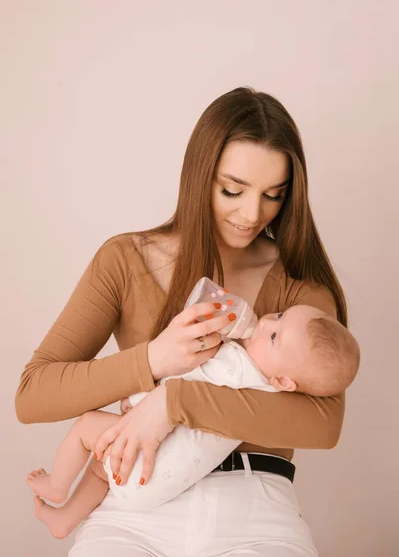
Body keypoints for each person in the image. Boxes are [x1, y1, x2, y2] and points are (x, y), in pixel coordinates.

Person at [16, 87, 354, 556]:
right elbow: (32, 396)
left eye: (273, 196)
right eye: (232, 190)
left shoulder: (298, 293)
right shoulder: (124, 261)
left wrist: (175, 402)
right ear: (199, 176)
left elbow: (323, 425)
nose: (252, 214)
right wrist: (154, 359)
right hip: (134, 506)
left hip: (255, 506)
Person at [25, 304, 360, 538]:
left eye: (275, 337)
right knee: (103, 468)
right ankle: (65, 519)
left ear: (284, 380)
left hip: (148, 464)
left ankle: (57, 486)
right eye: (280, 316)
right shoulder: (265, 395)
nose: (267, 323)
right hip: (151, 484)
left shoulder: (235, 365)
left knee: (87, 427)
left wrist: (137, 399)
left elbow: (184, 381)